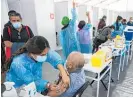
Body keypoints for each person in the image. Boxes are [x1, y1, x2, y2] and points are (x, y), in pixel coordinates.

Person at [5, 36, 70, 93]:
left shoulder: (41, 52)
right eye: (43, 55)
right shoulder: (18, 63)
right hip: (18, 88)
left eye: (46, 53)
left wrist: (63, 72)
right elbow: (31, 81)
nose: (46, 56)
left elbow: (54, 57)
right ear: (31, 53)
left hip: (34, 84)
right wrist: (48, 85)